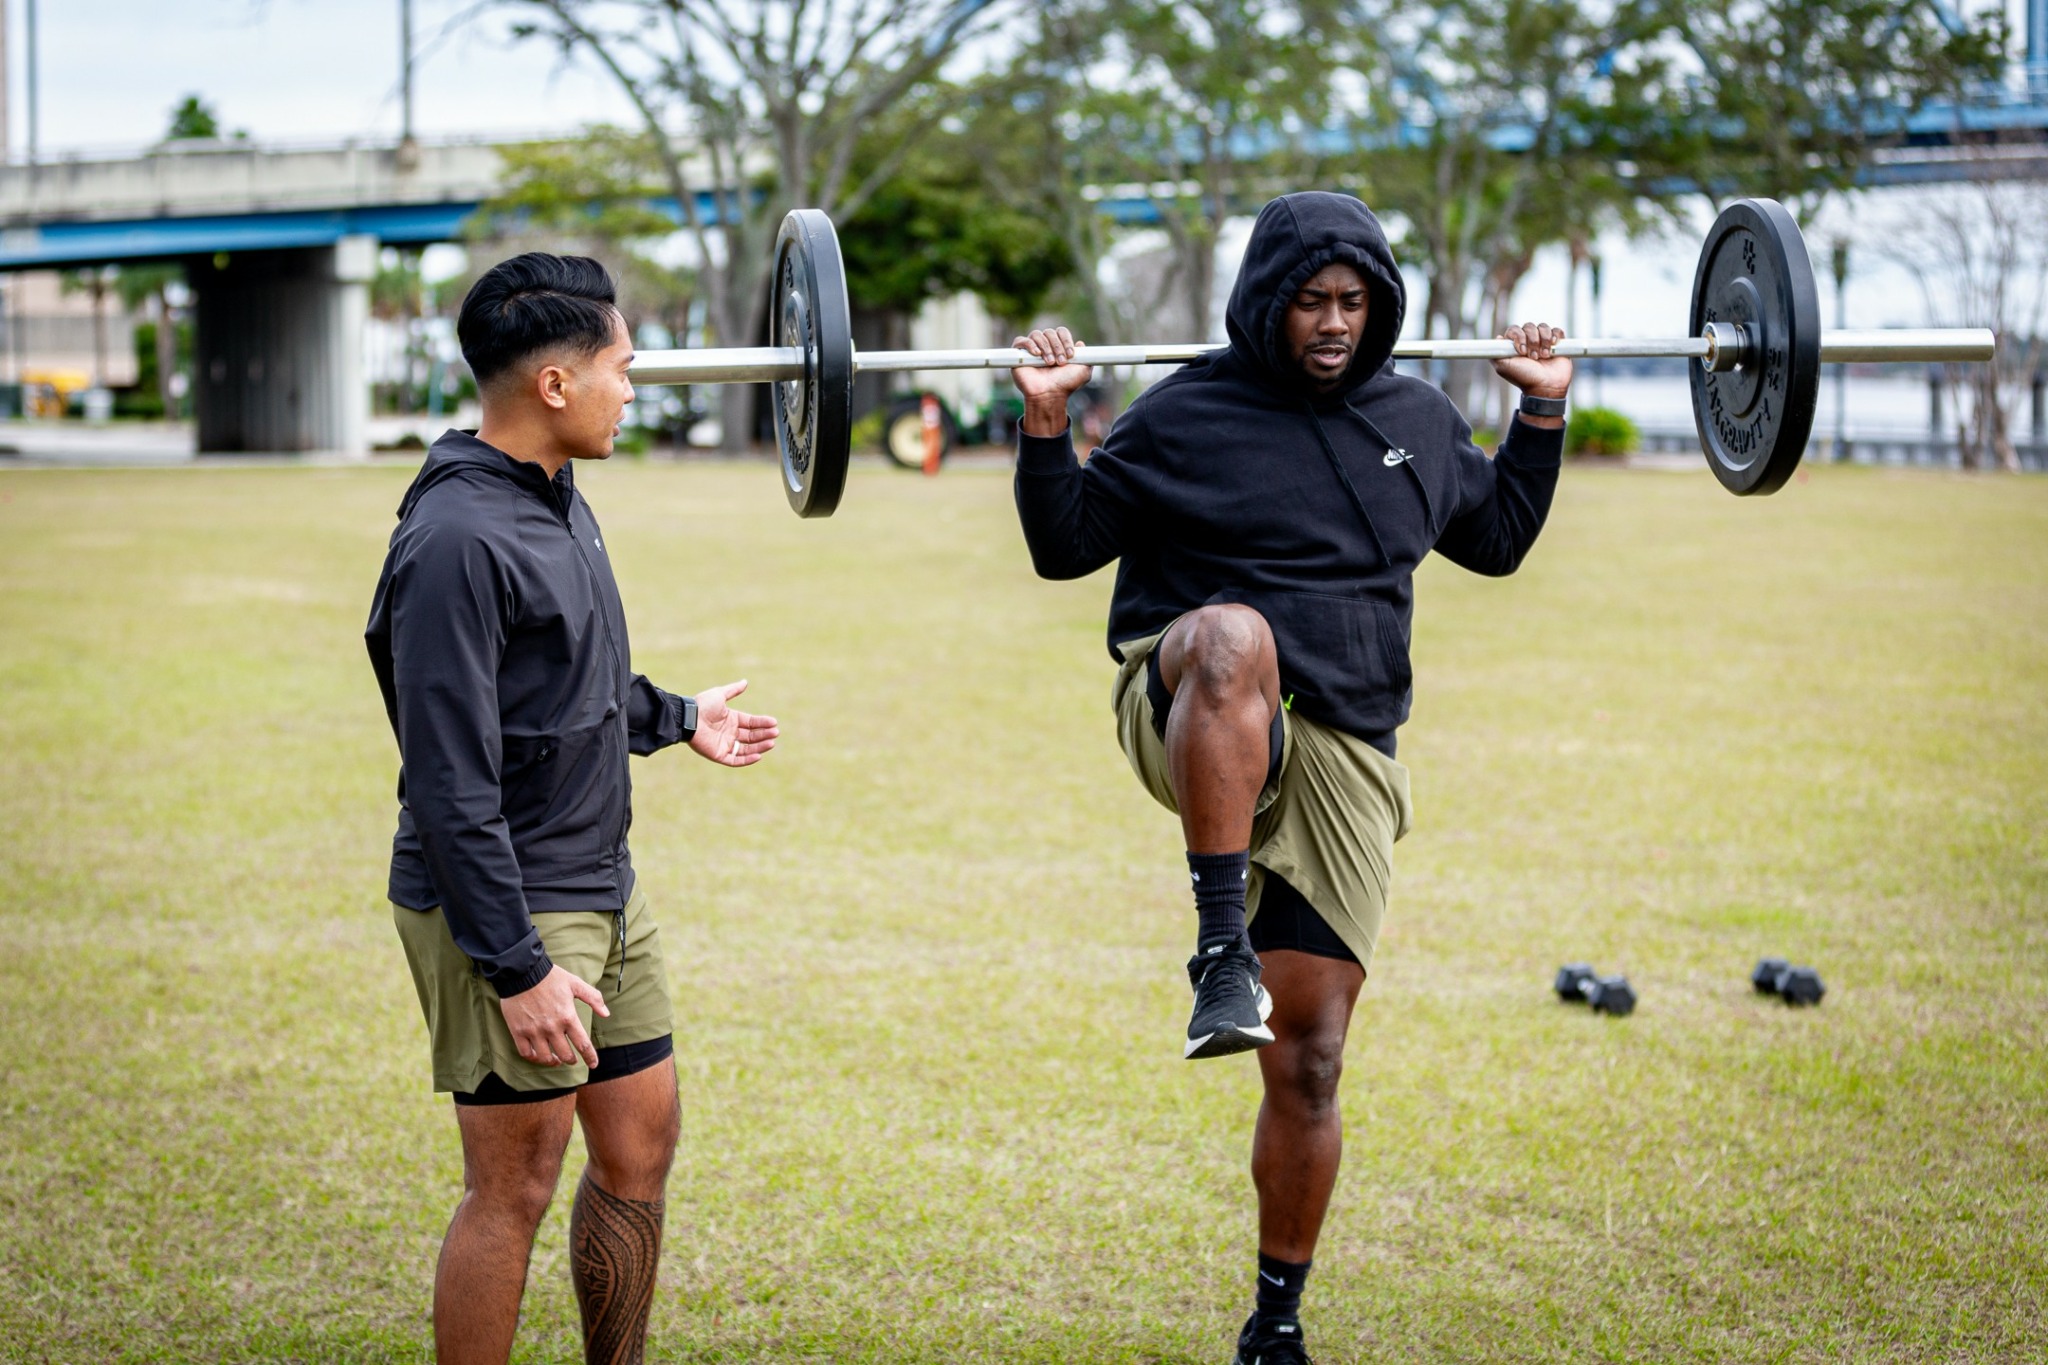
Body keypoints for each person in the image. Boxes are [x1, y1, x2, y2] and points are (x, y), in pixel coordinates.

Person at [1009, 191, 1570, 1364]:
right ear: (1267, 302)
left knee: (1309, 1061)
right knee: (1232, 634)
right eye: (1310, 301)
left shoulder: (1415, 416)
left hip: (1344, 746)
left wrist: (1541, 412)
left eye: (1352, 302)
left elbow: (1497, 540)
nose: (1332, 323)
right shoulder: (1182, 415)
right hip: (1193, 701)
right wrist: (1047, 423)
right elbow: (1065, 549)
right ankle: (1218, 951)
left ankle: (1274, 1324)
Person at [365, 253, 779, 1365]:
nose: (632, 390)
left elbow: (563, 683)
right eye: (621, 368)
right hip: (510, 899)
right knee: (513, 1185)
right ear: (554, 384)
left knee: (640, 1144)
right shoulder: (455, 540)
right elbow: (448, 780)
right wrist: (516, 968)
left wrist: (678, 716)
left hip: (600, 879)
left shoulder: (553, 497)